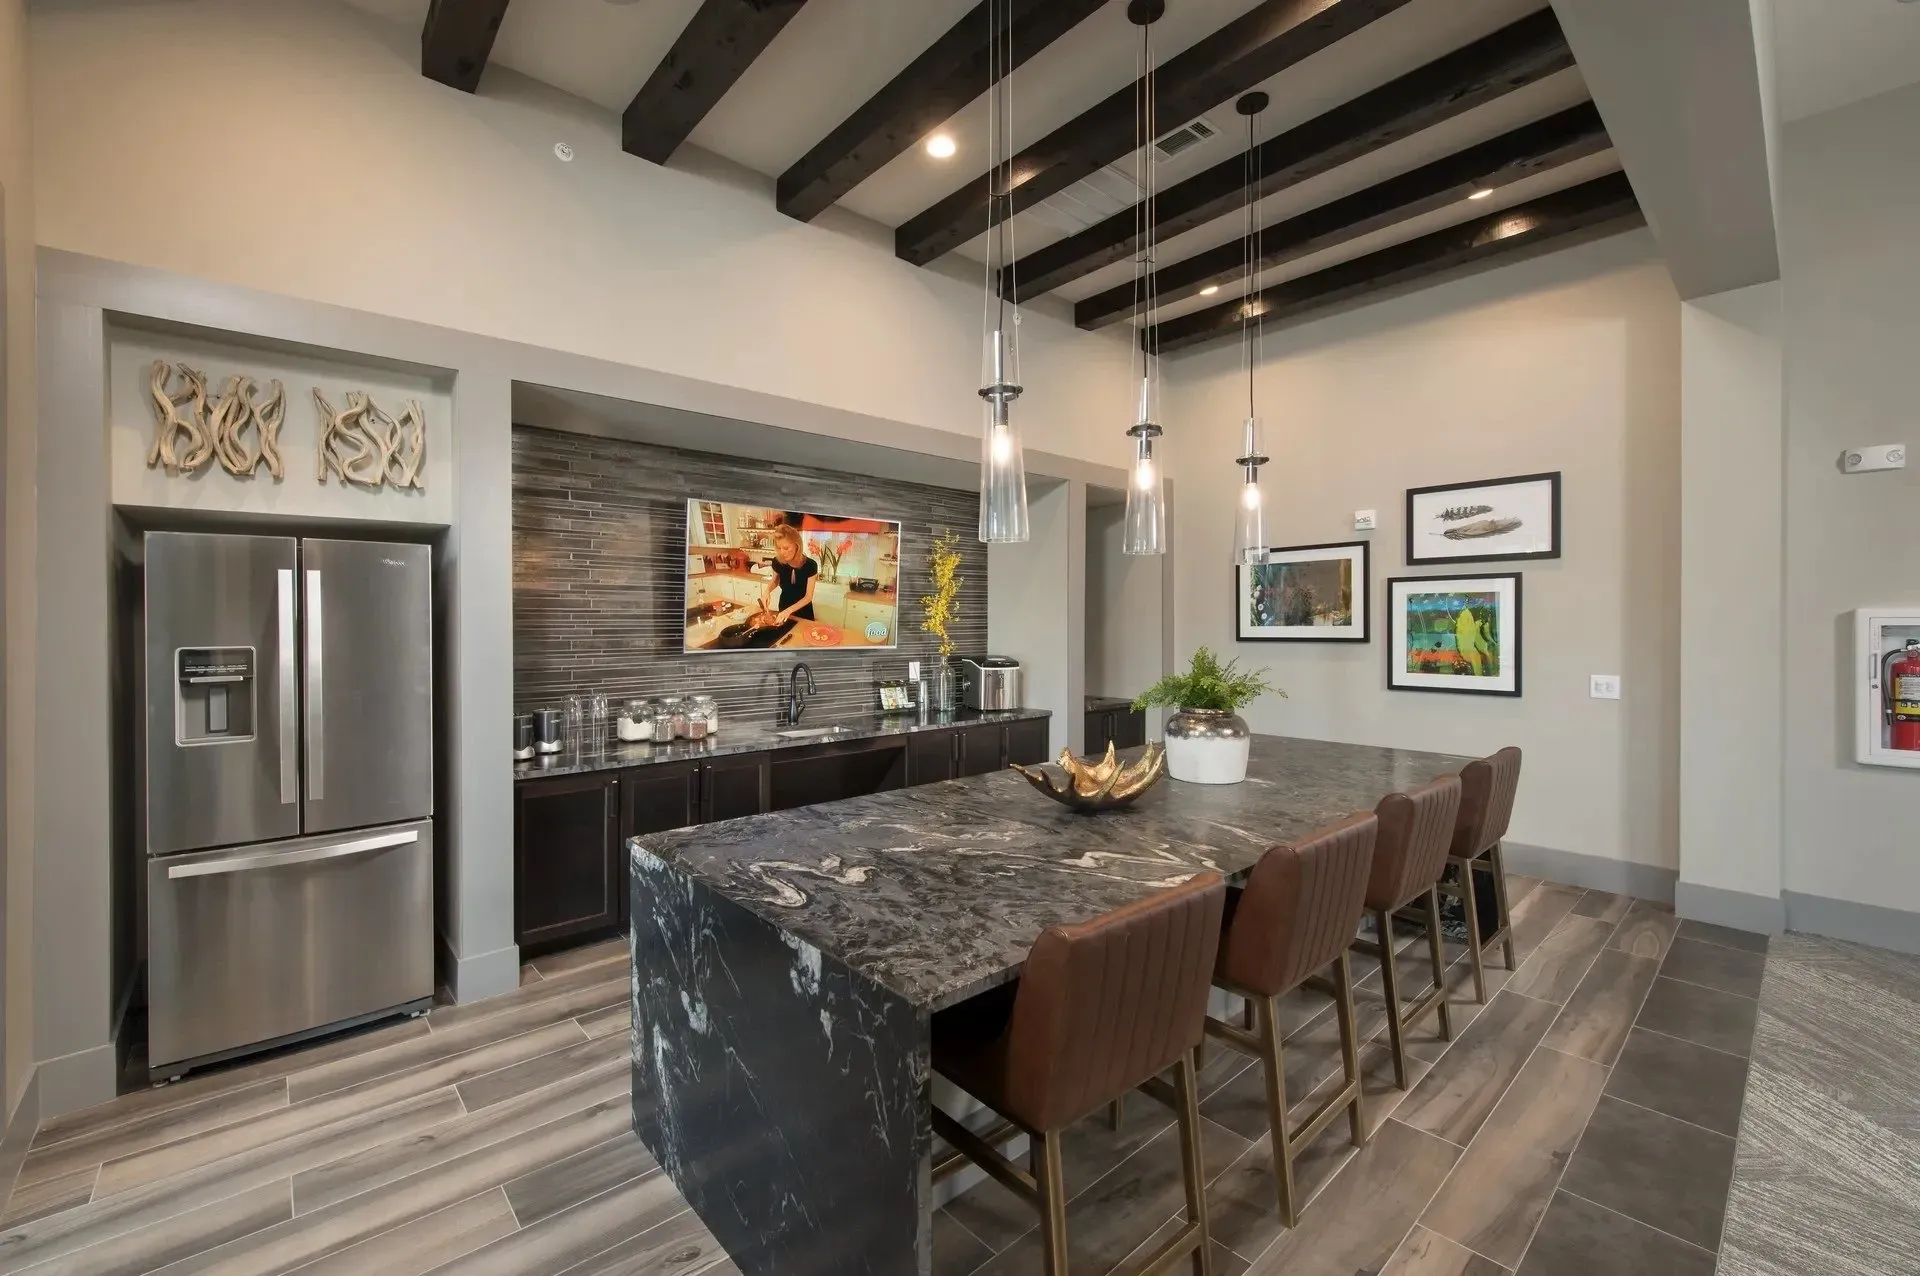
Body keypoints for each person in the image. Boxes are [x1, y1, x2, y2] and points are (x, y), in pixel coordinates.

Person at [762, 524, 818, 628]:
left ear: (797, 546)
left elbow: (808, 597)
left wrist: (789, 611)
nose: (782, 552)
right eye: (779, 548)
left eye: (786, 548)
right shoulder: (777, 562)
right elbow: (775, 581)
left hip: (804, 612)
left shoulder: (811, 565)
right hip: (783, 608)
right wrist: (767, 591)